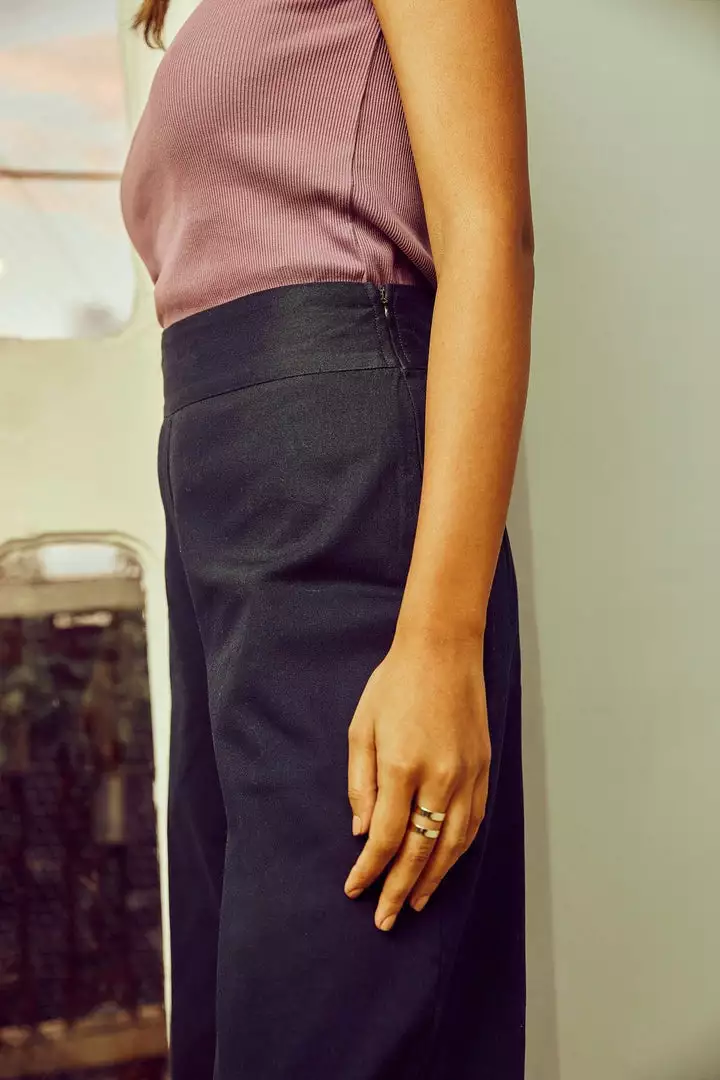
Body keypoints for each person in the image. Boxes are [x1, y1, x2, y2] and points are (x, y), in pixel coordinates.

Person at [120, 0, 534, 1076]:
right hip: (222, 502)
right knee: (234, 1024)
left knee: (335, 1010)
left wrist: (442, 640)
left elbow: (488, 238)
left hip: (337, 482)